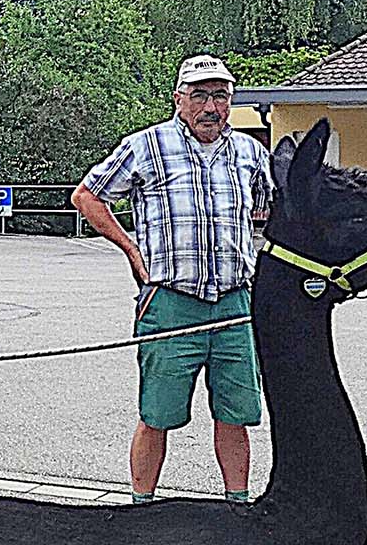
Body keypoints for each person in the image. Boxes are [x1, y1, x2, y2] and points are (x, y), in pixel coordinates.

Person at [72, 55, 271, 504]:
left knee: (234, 414)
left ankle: (237, 506)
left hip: (235, 304)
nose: (210, 106)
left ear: (230, 102)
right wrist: (130, 248)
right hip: (169, 301)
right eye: (199, 94)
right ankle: (141, 507)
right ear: (179, 99)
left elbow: (270, 207)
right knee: (156, 414)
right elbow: (87, 196)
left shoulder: (250, 152)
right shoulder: (147, 146)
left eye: (220, 96)